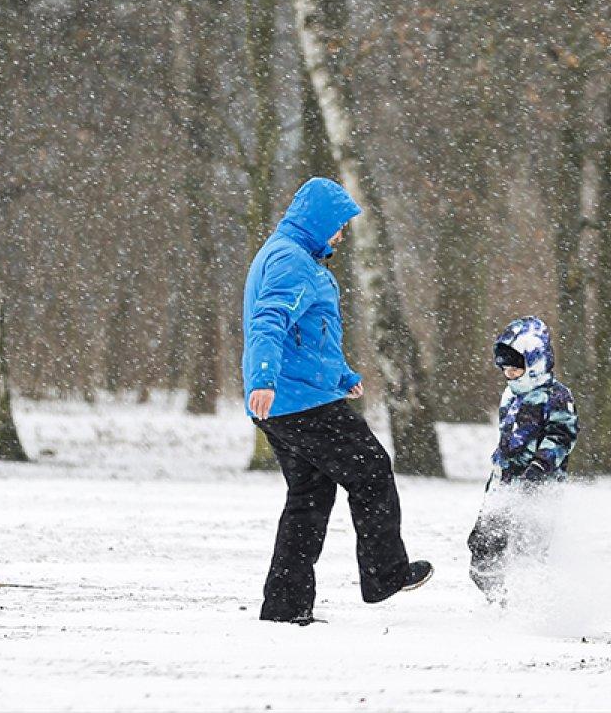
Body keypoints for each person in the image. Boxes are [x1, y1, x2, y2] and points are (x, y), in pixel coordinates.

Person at [243, 177, 432, 625]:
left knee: (308, 498)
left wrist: (341, 376)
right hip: (300, 401)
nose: (342, 234)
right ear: (319, 220)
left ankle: (286, 606)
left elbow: (311, 334)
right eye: (339, 224)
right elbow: (269, 319)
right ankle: (385, 574)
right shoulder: (292, 261)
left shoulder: (289, 254)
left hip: (289, 402)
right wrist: (263, 377)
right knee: (372, 470)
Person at [467, 316, 579, 602]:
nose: (510, 374)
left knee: (528, 548)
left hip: (537, 484)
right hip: (503, 484)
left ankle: (531, 604)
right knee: (483, 544)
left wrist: (539, 466)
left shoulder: (556, 396)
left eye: (516, 368)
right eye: (505, 369)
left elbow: (562, 436)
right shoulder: (510, 396)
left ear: (535, 362)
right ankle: (496, 598)